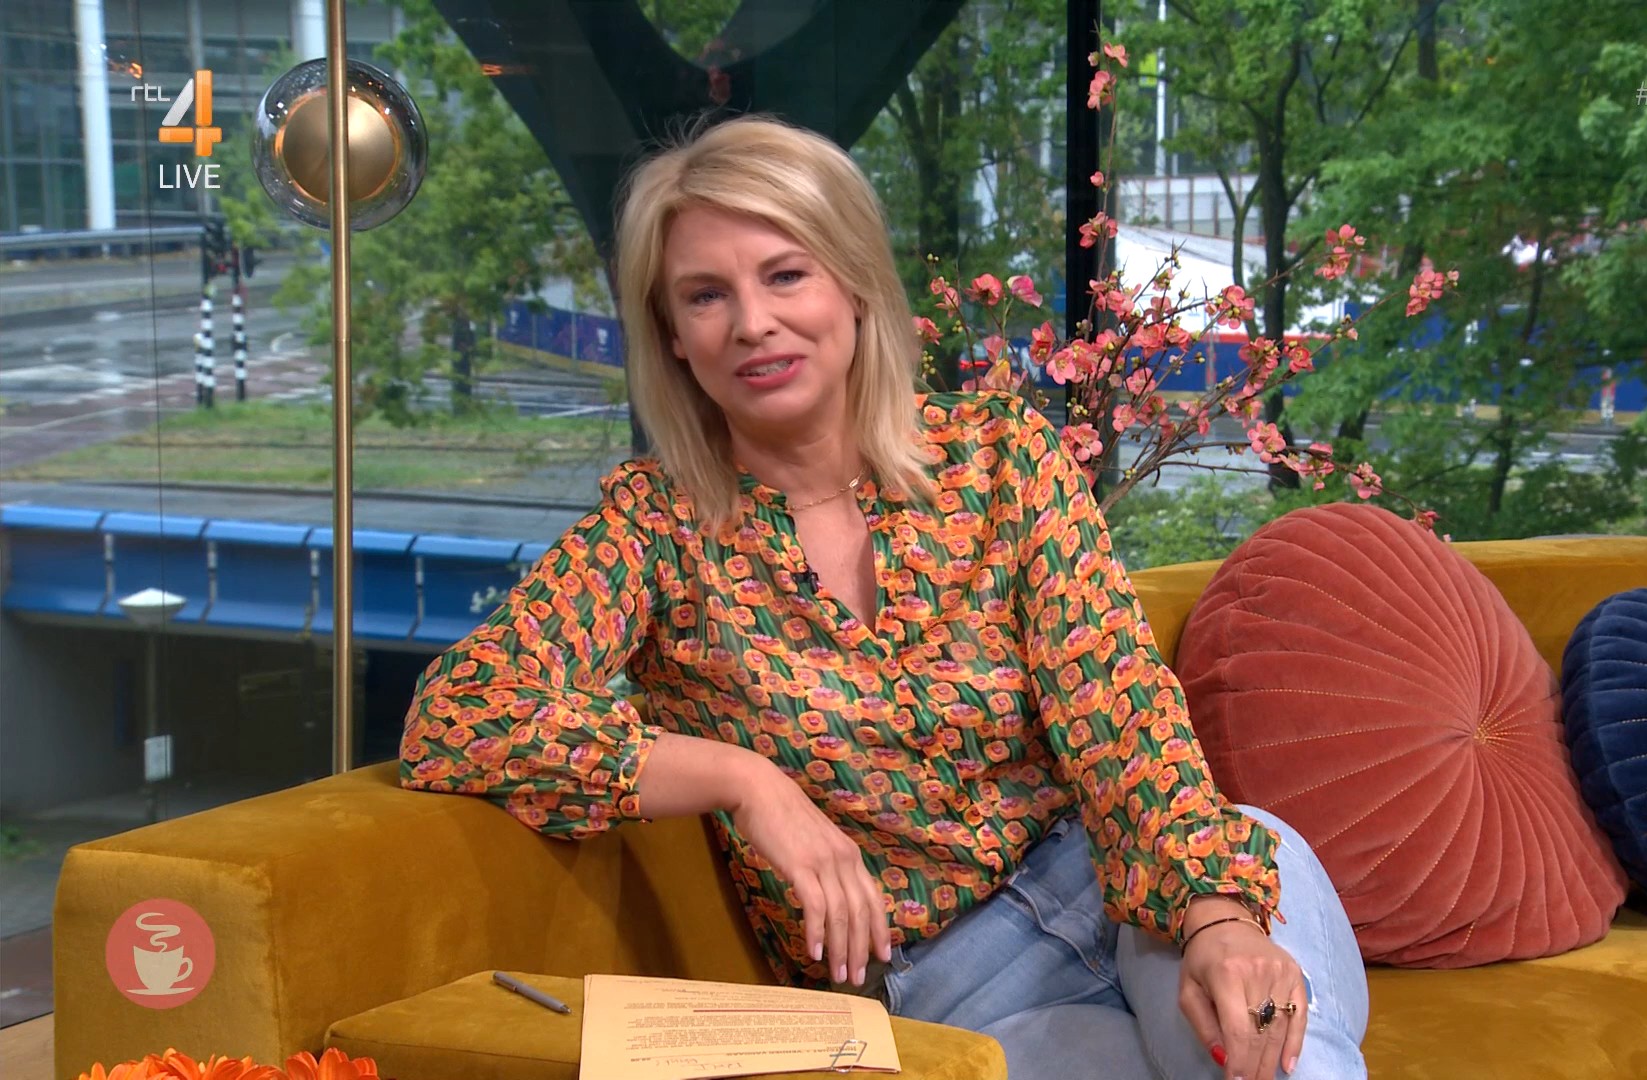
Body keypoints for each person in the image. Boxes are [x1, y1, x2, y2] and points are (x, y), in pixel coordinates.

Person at [397, 115, 1368, 1080]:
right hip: (946, 992)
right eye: (705, 295)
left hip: (1133, 893)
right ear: (674, 339)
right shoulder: (655, 530)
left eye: (786, 274)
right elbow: (462, 714)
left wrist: (1215, 915)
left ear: (856, 286)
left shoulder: (1002, 458)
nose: (751, 322)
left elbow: (1116, 707)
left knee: (1268, 1047)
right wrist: (743, 780)